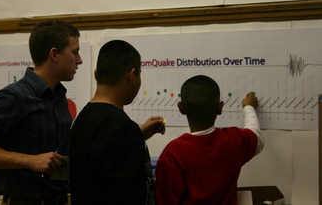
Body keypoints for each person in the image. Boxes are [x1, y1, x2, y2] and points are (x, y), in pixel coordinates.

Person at [0, 19, 82, 205]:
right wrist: (29, 160)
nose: (79, 60)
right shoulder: (14, 96)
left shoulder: (59, 97)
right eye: (75, 52)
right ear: (54, 54)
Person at [69, 39, 165, 205]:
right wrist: (133, 135)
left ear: (96, 74)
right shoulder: (121, 127)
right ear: (132, 75)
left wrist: (137, 135)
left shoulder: (82, 119)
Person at [155, 75, 264, 205]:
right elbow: (256, 137)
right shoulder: (234, 140)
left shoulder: (172, 153)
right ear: (220, 107)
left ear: (181, 107)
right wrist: (249, 107)